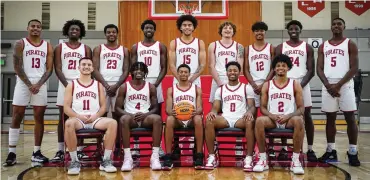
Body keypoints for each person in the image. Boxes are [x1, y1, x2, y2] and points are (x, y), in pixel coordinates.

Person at [3, 19, 53, 166]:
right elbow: (17, 66)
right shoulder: (21, 43)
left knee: (39, 116)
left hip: (40, 84)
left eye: (38, 27)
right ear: (28, 28)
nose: (36, 28)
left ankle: (36, 152)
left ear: (41, 29)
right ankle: (12, 153)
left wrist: (38, 84)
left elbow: (49, 69)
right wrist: (29, 84)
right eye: (33, 26)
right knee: (17, 115)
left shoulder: (48, 46)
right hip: (23, 83)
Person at [316, 18, 360, 166]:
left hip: (345, 84)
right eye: (334, 24)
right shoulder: (323, 45)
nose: (336, 26)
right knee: (330, 119)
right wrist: (329, 85)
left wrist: (339, 85)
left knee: (350, 118)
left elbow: (354, 68)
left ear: (344, 26)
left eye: (339, 24)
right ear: (331, 27)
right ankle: (331, 150)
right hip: (328, 85)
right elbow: (319, 69)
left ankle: (353, 151)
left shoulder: (350, 44)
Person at [63, 57, 117, 175]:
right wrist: (79, 116)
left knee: (113, 123)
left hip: (95, 119)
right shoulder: (71, 85)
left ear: (92, 68)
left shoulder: (98, 85)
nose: (86, 67)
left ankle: (106, 160)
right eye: (83, 64)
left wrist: (95, 115)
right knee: (68, 123)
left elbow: (103, 107)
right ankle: (74, 161)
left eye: (89, 65)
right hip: (78, 119)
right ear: (78, 67)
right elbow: (66, 107)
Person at [253, 54, 305, 175]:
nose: (281, 68)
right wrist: (271, 115)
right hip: (273, 120)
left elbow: (301, 108)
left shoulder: (295, 84)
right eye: (278, 66)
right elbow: (263, 107)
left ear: (288, 68)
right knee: (259, 121)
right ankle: (262, 159)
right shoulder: (267, 84)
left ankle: (295, 161)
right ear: (274, 69)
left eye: (283, 65)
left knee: (299, 120)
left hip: (288, 120)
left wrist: (288, 116)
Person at [274, 20, 317, 161]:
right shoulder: (281, 47)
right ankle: (284, 148)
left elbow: (311, 71)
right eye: (291, 28)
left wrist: (300, 85)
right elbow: (276, 68)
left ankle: (310, 149)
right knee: (283, 115)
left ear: (300, 30)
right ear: (287, 30)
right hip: (285, 83)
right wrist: (287, 85)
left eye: (296, 28)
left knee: (307, 116)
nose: (293, 30)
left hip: (302, 83)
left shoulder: (308, 47)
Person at [52, 19, 92, 162]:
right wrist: (68, 85)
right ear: (67, 31)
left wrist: (79, 85)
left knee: (79, 116)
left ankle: (80, 150)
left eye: (77, 29)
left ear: (81, 32)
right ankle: (60, 150)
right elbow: (57, 68)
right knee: (62, 117)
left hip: (81, 85)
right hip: (65, 84)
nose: (74, 31)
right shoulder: (59, 48)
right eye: (71, 29)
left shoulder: (86, 48)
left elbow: (89, 68)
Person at [205, 61, 255, 171]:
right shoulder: (220, 89)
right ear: (226, 73)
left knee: (250, 121)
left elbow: (252, 106)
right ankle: (212, 156)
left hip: (240, 118)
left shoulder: (246, 88)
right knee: (209, 120)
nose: (232, 72)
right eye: (230, 70)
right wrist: (213, 112)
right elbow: (216, 107)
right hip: (226, 118)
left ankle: (249, 157)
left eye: (235, 70)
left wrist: (249, 112)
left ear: (239, 72)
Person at [115, 62, 163, 171]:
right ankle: (128, 158)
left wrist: (146, 114)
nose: (139, 71)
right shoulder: (124, 87)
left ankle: (154, 157)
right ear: (131, 72)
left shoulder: (150, 87)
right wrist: (130, 115)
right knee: (123, 119)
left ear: (145, 72)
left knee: (157, 119)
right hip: (130, 117)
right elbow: (117, 108)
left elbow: (155, 108)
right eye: (136, 69)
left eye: (142, 70)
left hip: (145, 117)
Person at [130, 19, 167, 157]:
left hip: (155, 83)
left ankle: (158, 147)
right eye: (146, 28)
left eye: (151, 27)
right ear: (143, 30)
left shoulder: (160, 46)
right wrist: (137, 83)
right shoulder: (135, 47)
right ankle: (136, 144)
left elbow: (164, 68)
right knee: (135, 111)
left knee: (156, 115)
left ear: (154, 29)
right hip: (139, 83)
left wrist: (156, 84)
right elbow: (133, 68)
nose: (149, 30)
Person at [162, 64, 204, 170]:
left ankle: (199, 155)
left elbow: (200, 108)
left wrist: (196, 112)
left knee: (198, 118)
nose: (183, 74)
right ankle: (168, 156)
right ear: (177, 73)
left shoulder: (196, 89)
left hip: (191, 118)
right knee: (169, 119)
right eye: (181, 72)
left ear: (189, 74)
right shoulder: (171, 90)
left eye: (186, 72)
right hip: (178, 119)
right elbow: (167, 109)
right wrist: (172, 113)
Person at [92, 24, 129, 119]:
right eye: (108, 32)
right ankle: (102, 134)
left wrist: (116, 86)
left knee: (117, 113)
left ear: (117, 34)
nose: (111, 34)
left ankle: (118, 134)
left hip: (118, 84)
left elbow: (126, 70)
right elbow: (95, 69)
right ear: (105, 34)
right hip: (102, 84)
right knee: (102, 113)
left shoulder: (124, 50)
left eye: (113, 32)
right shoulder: (98, 49)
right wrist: (106, 86)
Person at [244, 21, 274, 117]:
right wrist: (253, 84)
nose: (259, 33)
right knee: (253, 112)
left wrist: (265, 83)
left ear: (265, 32)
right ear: (253, 33)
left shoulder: (271, 48)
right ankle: (253, 132)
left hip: (268, 83)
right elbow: (245, 69)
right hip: (253, 84)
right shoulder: (248, 49)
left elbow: (273, 68)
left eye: (261, 30)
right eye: (256, 31)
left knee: (268, 111)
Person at [208, 21, 244, 103]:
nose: (228, 30)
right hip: (218, 78)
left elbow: (240, 67)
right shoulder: (213, 45)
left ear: (233, 32)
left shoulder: (240, 47)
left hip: (233, 79)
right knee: (215, 106)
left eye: (230, 28)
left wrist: (231, 82)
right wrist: (219, 83)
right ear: (221, 31)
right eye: (225, 28)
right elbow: (211, 66)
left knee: (232, 105)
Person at [169, 15, 206, 87]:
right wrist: (179, 79)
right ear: (180, 27)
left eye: (189, 25)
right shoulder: (174, 42)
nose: (187, 27)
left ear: (193, 27)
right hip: (179, 76)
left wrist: (191, 79)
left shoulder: (199, 42)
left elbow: (202, 65)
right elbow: (172, 65)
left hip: (194, 77)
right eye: (184, 25)